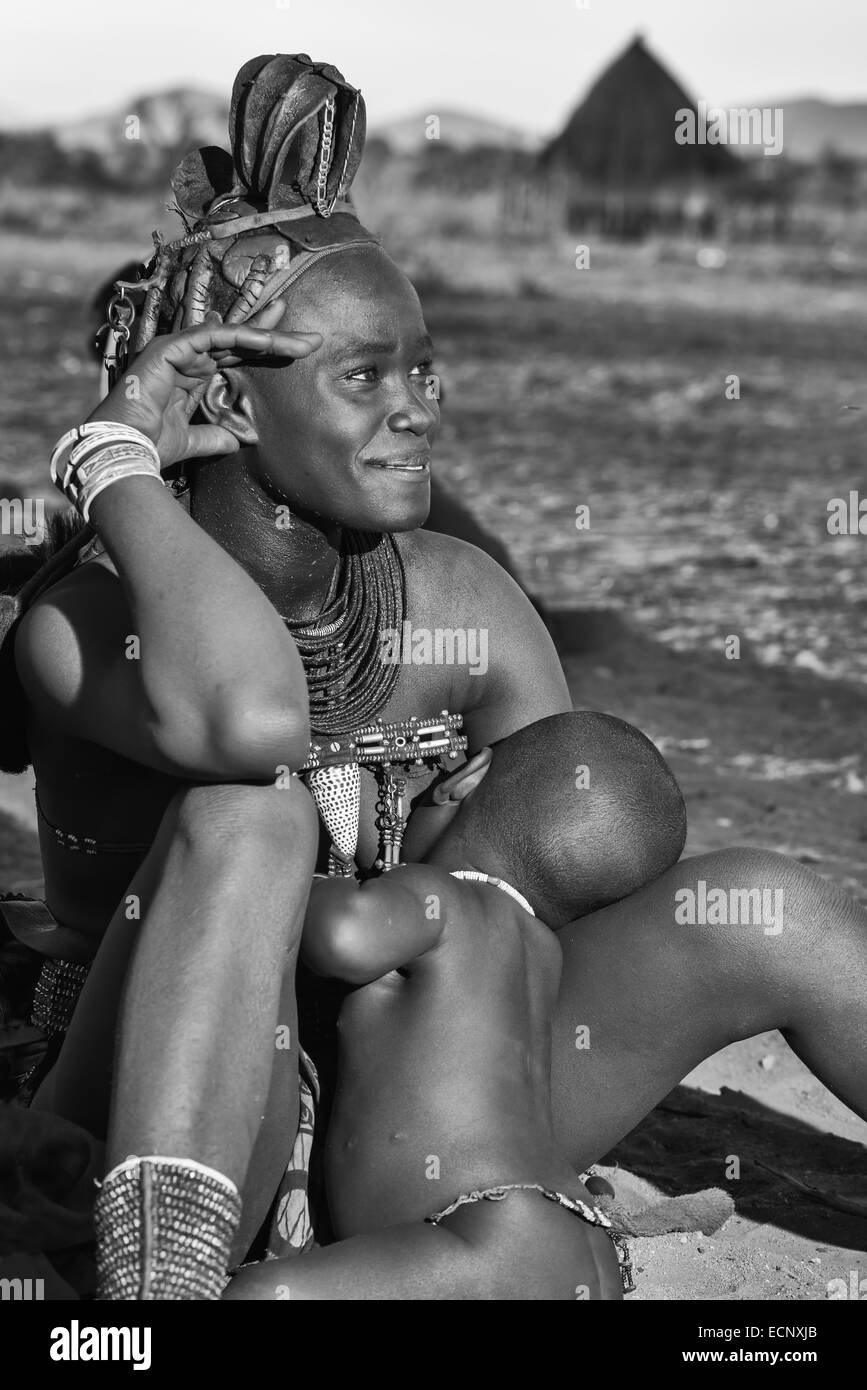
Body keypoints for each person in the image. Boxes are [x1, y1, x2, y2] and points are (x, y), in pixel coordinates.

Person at [1, 53, 864, 1299]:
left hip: (418, 1110)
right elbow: (250, 723)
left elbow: (563, 838)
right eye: (365, 375)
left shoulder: (455, 598)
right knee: (252, 819)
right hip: (180, 1117)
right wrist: (115, 464)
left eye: (424, 369)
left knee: (765, 907)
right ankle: (157, 1300)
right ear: (231, 403)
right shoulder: (83, 623)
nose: (418, 409)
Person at [228, 712, 680, 1301]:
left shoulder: (442, 897)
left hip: (483, 1234)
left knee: (265, 1294)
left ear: (463, 778)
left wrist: (311, 873)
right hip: (574, 1239)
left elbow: (341, 938)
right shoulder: (542, 954)